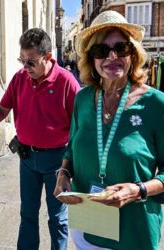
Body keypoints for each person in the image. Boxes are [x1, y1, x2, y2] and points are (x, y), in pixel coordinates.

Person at [54, 10, 164, 250]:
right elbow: (72, 148)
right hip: (88, 225)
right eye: (101, 51)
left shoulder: (156, 103)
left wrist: (137, 190)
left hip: (135, 232)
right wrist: (62, 173)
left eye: (121, 48)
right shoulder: (83, 99)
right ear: (91, 59)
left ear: (133, 54)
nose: (112, 56)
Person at [0, 28, 80, 250]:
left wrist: (72, 166)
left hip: (57, 161)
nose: (25, 67)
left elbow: (81, 125)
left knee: (58, 218)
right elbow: (3, 108)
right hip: (27, 158)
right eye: (22, 61)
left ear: (48, 57)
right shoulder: (20, 78)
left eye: (30, 62)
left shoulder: (67, 82)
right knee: (27, 213)